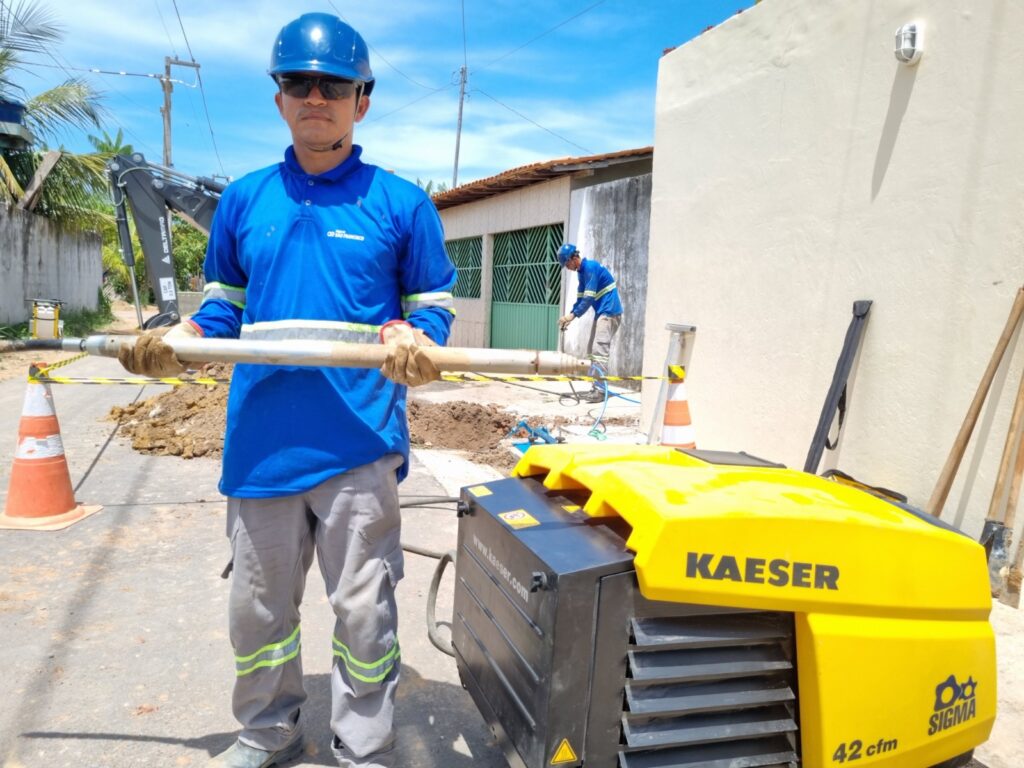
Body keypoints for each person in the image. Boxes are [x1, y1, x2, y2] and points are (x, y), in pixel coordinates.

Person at [118, 13, 456, 768]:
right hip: (262, 446)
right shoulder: (244, 201)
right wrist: (187, 343)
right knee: (258, 612)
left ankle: (363, 742)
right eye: (298, 83)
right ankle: (267, 730)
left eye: (333, 84)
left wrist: (416, 336)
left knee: (363, 613)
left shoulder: (400, 204)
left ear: (361, 99)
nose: (315, 96)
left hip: (359, 446)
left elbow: (433, 304)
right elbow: (222, 307)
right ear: (279, 99)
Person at [555, 242, 623, 403]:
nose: (567, 267)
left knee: (599, 351)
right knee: (591, 350)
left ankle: (600, 390)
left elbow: (588, 298)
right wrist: (571, 315)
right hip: (602, 313)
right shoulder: (581, 273)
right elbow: (580, 299)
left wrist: (572, 316)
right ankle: (596, 386)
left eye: (567, 264)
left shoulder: (590, 268)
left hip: (609, 312)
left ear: (573, 258)